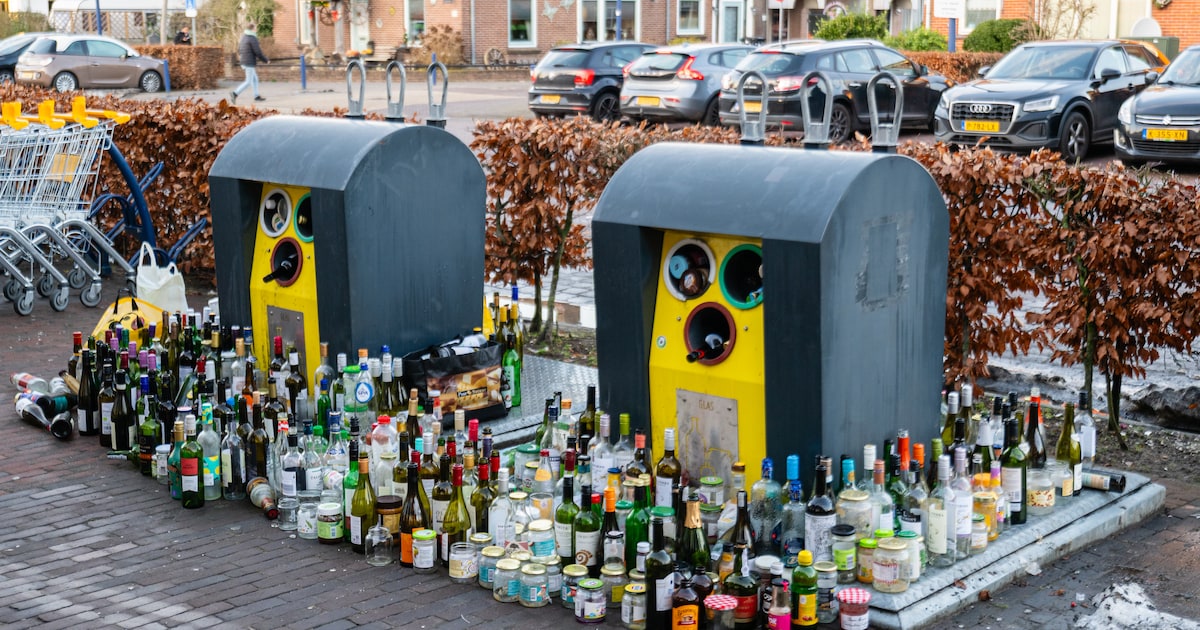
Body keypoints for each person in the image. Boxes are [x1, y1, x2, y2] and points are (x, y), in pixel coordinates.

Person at [230, 23, 268, 105]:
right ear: (252, 29)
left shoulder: (244, 37)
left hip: (244, 61)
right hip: (249, 62)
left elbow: (239, 49)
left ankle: (256, 96)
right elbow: (257, 52)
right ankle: (235, 93)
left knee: (255, 79)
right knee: (248, 81)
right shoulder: (252, 38)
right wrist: (266, 60)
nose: (256, 29)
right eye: (255, 28)